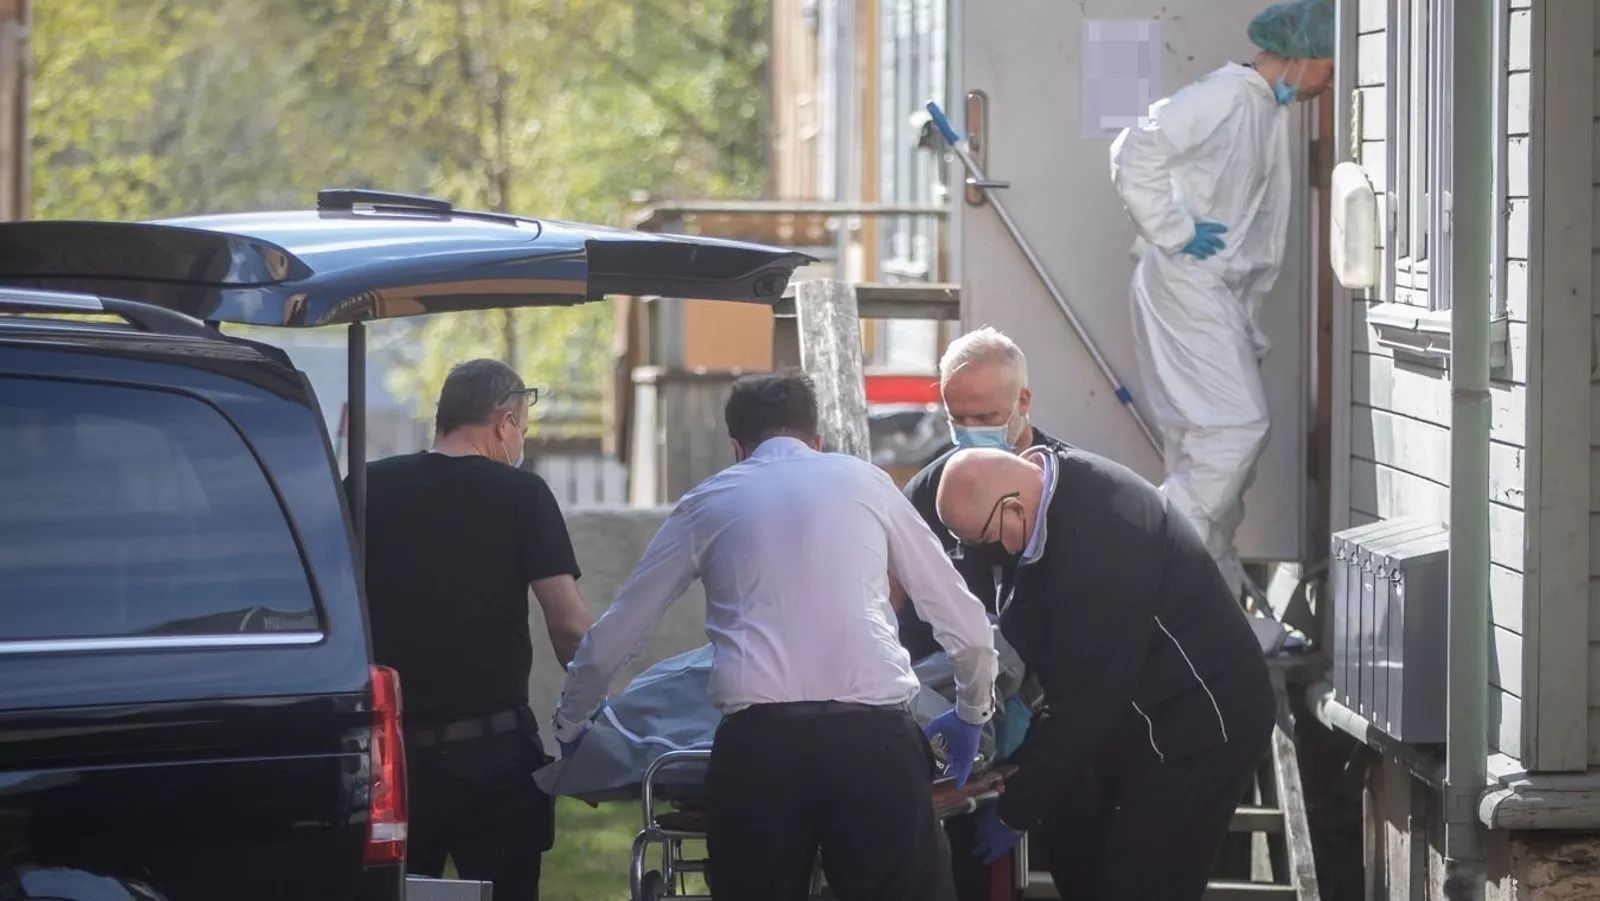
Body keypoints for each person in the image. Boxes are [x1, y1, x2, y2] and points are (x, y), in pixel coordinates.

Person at [552, 372, 998, 901]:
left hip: (761, 751)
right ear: (817, 440)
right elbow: (966, 627)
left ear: (738, 448)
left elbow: (615, 637)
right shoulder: (868, 484)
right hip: (874, 743)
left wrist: (573, 722)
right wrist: (972, 713)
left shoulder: (707, 502)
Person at [935, 446, 1276, 900]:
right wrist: (979, 710)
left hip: (1202, 720)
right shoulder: (1046, 493)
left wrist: (1015, 812)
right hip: (1141, 710)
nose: (988, 554)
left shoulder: (1103, 540)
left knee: (1141, 885)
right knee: (1090, 866)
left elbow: (1087, 704)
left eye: (986, 541)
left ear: (1013, 508)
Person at [1109, 0, 1334, 601]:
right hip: (1187, 284)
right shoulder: (1228, 96)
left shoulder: (1264, 107)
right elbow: (1136, 146)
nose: (1330, 81)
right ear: (1301, 54)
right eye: (1330, 66)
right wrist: (1174, 229)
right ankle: (1147, 556)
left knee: (1205, 451)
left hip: (1212, 292)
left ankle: (1212, 609)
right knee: (1237, 429)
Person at [358, 359, 595, 901]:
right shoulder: (522, 494)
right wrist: (590, 719)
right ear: (504, 422)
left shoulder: (367, 486)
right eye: (523, 429)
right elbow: (570, 628)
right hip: (492, 756)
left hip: (392, 756)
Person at [891, 327, 1072, 900]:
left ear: (1023, 402)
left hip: (1055, 730)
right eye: (958, 417)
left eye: (987, 415)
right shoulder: (930, 492)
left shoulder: (1067, 490)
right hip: (952, 729)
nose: (972, 429)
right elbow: (897, 612)